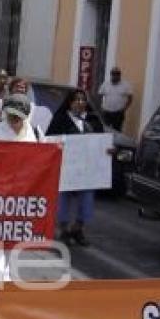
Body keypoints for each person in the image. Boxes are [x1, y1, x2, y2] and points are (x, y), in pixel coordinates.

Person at [0, 93, 39, 283]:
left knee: (12, 233)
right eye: (11, 115)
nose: (14, 120)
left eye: (18, 116)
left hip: (21, 192)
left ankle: (5, 273)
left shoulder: (31, 132)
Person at [46, 88, 103, 247]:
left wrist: (108, 151)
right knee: (63, 199)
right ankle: (64, 229)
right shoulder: (60, 119)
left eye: (82, 99)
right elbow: (50, 140)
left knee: (87, 199)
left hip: (87, 169)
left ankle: (78, 229)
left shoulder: (93, 120)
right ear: (69, 103)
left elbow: (102, 142)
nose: (80, 102)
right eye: (76, 99)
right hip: (66, 167)